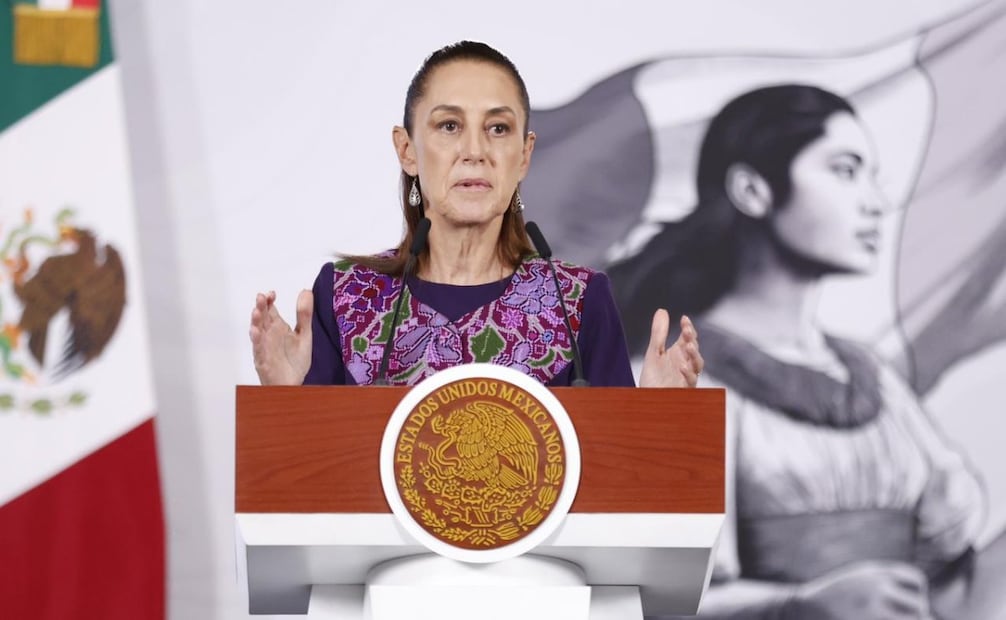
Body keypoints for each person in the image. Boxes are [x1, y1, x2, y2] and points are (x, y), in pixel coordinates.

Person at [608, 85, 990, 619]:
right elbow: (643, 604)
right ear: (752, 190)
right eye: (845, 170)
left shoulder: (870, 376)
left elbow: (952, 563)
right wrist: (801, 605)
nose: (876, 202)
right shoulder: (669, 380)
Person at [249, 40, 703, 391]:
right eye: (449, 126)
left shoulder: (578, 303)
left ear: (524, 156)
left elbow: (618, 489)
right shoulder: (347, 297)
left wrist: (658, 419)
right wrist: (288, 399)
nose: (475, 151)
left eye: (498, 129)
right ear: (407, 150)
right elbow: (312, 488)